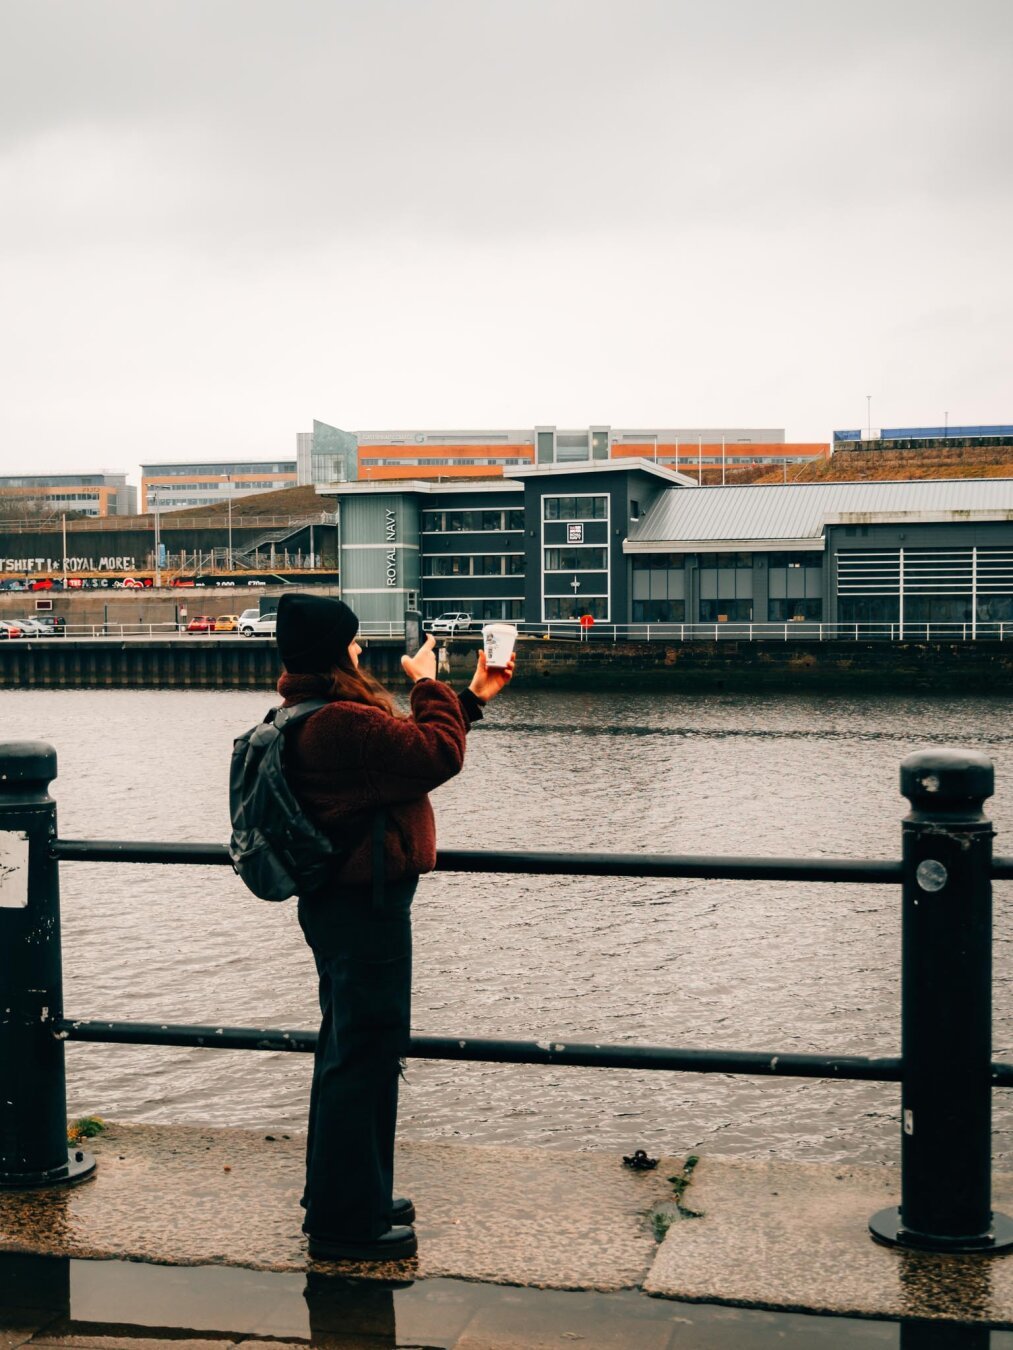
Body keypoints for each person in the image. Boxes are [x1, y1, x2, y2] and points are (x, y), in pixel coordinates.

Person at [274, 592, 514, 1263]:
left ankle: (349, 1196)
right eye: (350, 643)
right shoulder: (341, 721)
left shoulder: (311, 714)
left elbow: (405, 756)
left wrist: (472, 696)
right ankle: (346, 1225)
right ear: (332, 652)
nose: (358, 651)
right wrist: (430, 682)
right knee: (364, 1054)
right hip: (363, 907)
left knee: (350, 1049)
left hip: (343, 904)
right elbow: (436, 755)